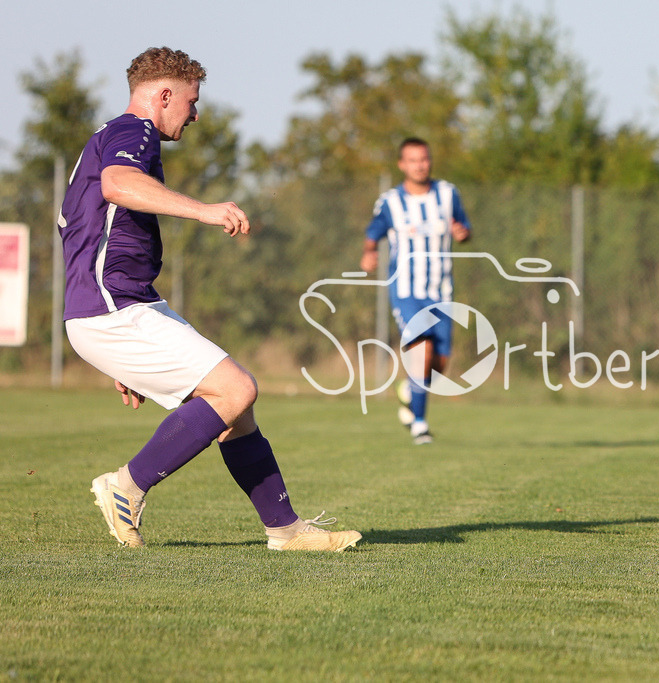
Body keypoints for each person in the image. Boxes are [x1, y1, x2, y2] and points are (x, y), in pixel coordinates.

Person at [60, 46, 361, 552]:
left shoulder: (107, 137)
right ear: (164, 95)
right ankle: (126, 486)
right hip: (113, 304)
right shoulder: (135, 132)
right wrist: (204, 211)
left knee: (234, 411)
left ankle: (285, 531)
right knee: (236, 388)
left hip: (118, 305)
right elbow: (118, 184)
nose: (195, 115)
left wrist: (120, 353)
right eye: (191, 102)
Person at [360, 137, 472, 445]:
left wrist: (462, 234)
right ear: (402, 165)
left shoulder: (448, 194)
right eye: (412, 160)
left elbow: (463, 228)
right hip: (406, 291)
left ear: (430, 161)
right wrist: (369, 252)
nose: (419, 165)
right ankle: (419, 424)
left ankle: (410, 390)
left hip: (441, 292)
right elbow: (373, 233)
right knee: (420, 349)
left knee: (438, 366)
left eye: (424, 159)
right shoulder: (390, 202)